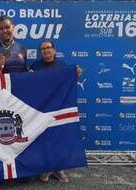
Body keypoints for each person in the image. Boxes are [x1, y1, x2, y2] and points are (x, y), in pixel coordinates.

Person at [30, 39, 82, 183]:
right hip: (42, 107)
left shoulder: (62, 65)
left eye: (48, 47)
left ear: (54, 49)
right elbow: (30, 85)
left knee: (59, 137)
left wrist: (75, 74)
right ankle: (46, 168)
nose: (45, 50)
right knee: (44, 138)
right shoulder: (36, 66)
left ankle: (59, 169)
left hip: (59, 107)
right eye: (42, 49)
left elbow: (68, 82)